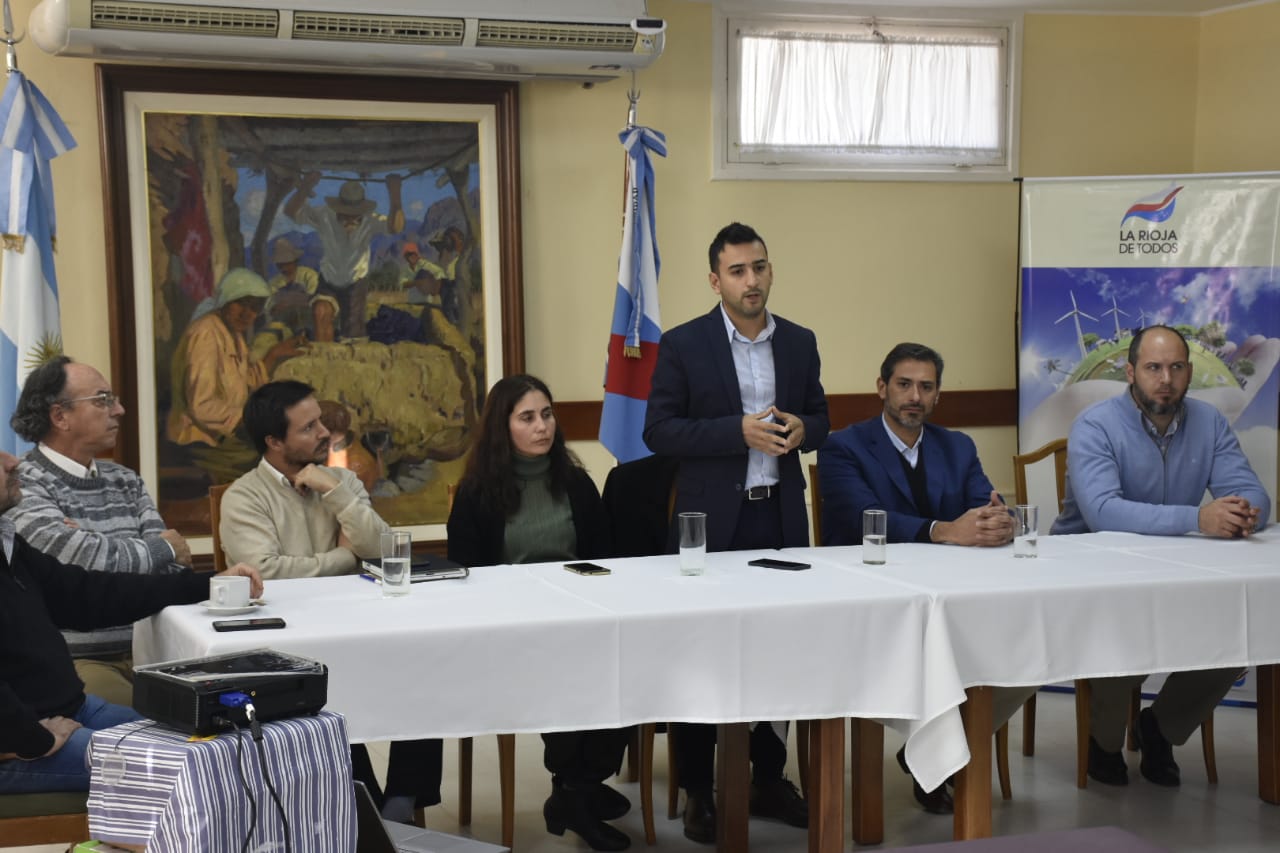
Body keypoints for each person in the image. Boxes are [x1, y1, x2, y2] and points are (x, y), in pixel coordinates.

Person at [643, 222, 827, 844]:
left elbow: (823, 418)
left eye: (761, 268)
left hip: (777, 515)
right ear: (715, 279)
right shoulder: (684, 344)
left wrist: (806, 428)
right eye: (739, 271)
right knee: (701, 655)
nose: (753, 281)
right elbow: (660, 432)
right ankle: (700, 787)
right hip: (710, 525)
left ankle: (769, 777)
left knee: (783, 649)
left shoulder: (799, 342)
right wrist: (735, 432)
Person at [1051, 324, 1271, 788]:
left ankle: (1161, 728)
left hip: (1183, 564)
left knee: (1242, 630)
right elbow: (1104, 512)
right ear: (1131, 372)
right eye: (1153, 368)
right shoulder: (1095, 424)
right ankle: (1104, 743)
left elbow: (1251, 490)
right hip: (1094, 565)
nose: (1165, 379)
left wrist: (1246, 512)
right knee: (1121, 629)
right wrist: (1199, 517)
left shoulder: (1209, 422)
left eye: (1175, 368)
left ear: (1190, 373)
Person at [817, 342, 1033, 813]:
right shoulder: (843, 445)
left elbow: (984, 500)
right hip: (868, 594)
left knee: (1022, 652)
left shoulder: (957, 446)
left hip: (949, 594)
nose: (914, 395)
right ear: (882, 388)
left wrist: (1000, 522)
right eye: (904, 384)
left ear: (937, 396)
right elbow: (861, 517)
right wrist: (943, 530)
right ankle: (933, 754)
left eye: (926, 386)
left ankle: (934, 753)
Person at [218, 379, 440, 822]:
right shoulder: (243, 497)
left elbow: (381, 549)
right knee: (330, 693)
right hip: (291, 639)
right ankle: (368, 809)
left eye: (320, 421)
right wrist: (344, 556)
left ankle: (400, 803)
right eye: (309, 427)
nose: (325, 433)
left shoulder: (343, 481)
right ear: (274, 442)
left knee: (423, 667)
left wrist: (334, 491)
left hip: (358, 623)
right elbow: (268, 573)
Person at [0, 447, 262, 793]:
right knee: (200, 770)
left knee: (221, 742)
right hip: (23, 743)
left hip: (70, 711)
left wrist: (208, 583)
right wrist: (35, 741)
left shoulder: (7, 542)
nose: (12, 461)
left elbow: (88, 595)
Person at [447, 374, 630, 852]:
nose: (542, 426)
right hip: (513, 626)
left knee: (627, 664)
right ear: (502, 427)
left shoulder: (574, 482)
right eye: (527, 417)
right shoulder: (477, 493)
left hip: (580, 613)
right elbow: (468, 574)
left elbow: (606, 558)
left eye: (547, 414)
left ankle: (577, 788)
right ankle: (578, 790)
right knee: (567, 670)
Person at [7, 357, 190, 708]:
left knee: (229, 714)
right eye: (103, 399)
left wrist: (102, 546)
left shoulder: (126, 479)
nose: (119, 410)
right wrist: (156, 549)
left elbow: (174, 568)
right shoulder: (23, 483)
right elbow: (79, 564)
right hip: (78, 659)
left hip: (154, 648)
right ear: (59, 416)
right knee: (160, 725)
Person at [167, 267, 303, 484]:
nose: (247, 314)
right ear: (226, 300)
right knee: (279, 461)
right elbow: (203, 406)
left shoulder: (233, 334)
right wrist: (250, 420)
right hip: (200, 441)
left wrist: (274, 355)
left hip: (223, 437)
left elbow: (241, 380)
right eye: (242, 304)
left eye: (255, 308)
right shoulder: (206, 333)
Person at [285, 173, 404, 338]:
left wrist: (395, 194)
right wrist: (305, 187)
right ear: (337, 208)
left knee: (353, 336)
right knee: (320, 312)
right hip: (329, 280)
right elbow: (291, 211)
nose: (350, 218)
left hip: (356, 284)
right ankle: (322, 359)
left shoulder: (370, 220)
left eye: (355, 214)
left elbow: (395, 227)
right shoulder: (324, 215)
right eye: (345, 213)